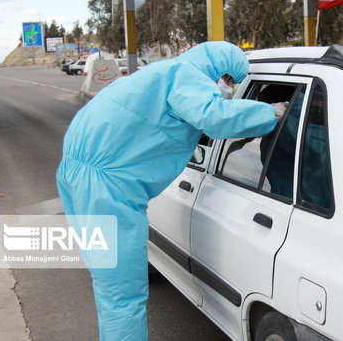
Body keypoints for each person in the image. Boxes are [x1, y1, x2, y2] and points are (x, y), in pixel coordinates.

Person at [56, 41, 284, 341]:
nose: (228, 88)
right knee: (123, 297)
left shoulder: (164, 72)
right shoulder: (187, 77)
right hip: (108, 190)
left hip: (77, 173)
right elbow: (215, 117)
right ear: (216, 69)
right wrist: (271, 113)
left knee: (109, 286)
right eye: (229, 81)